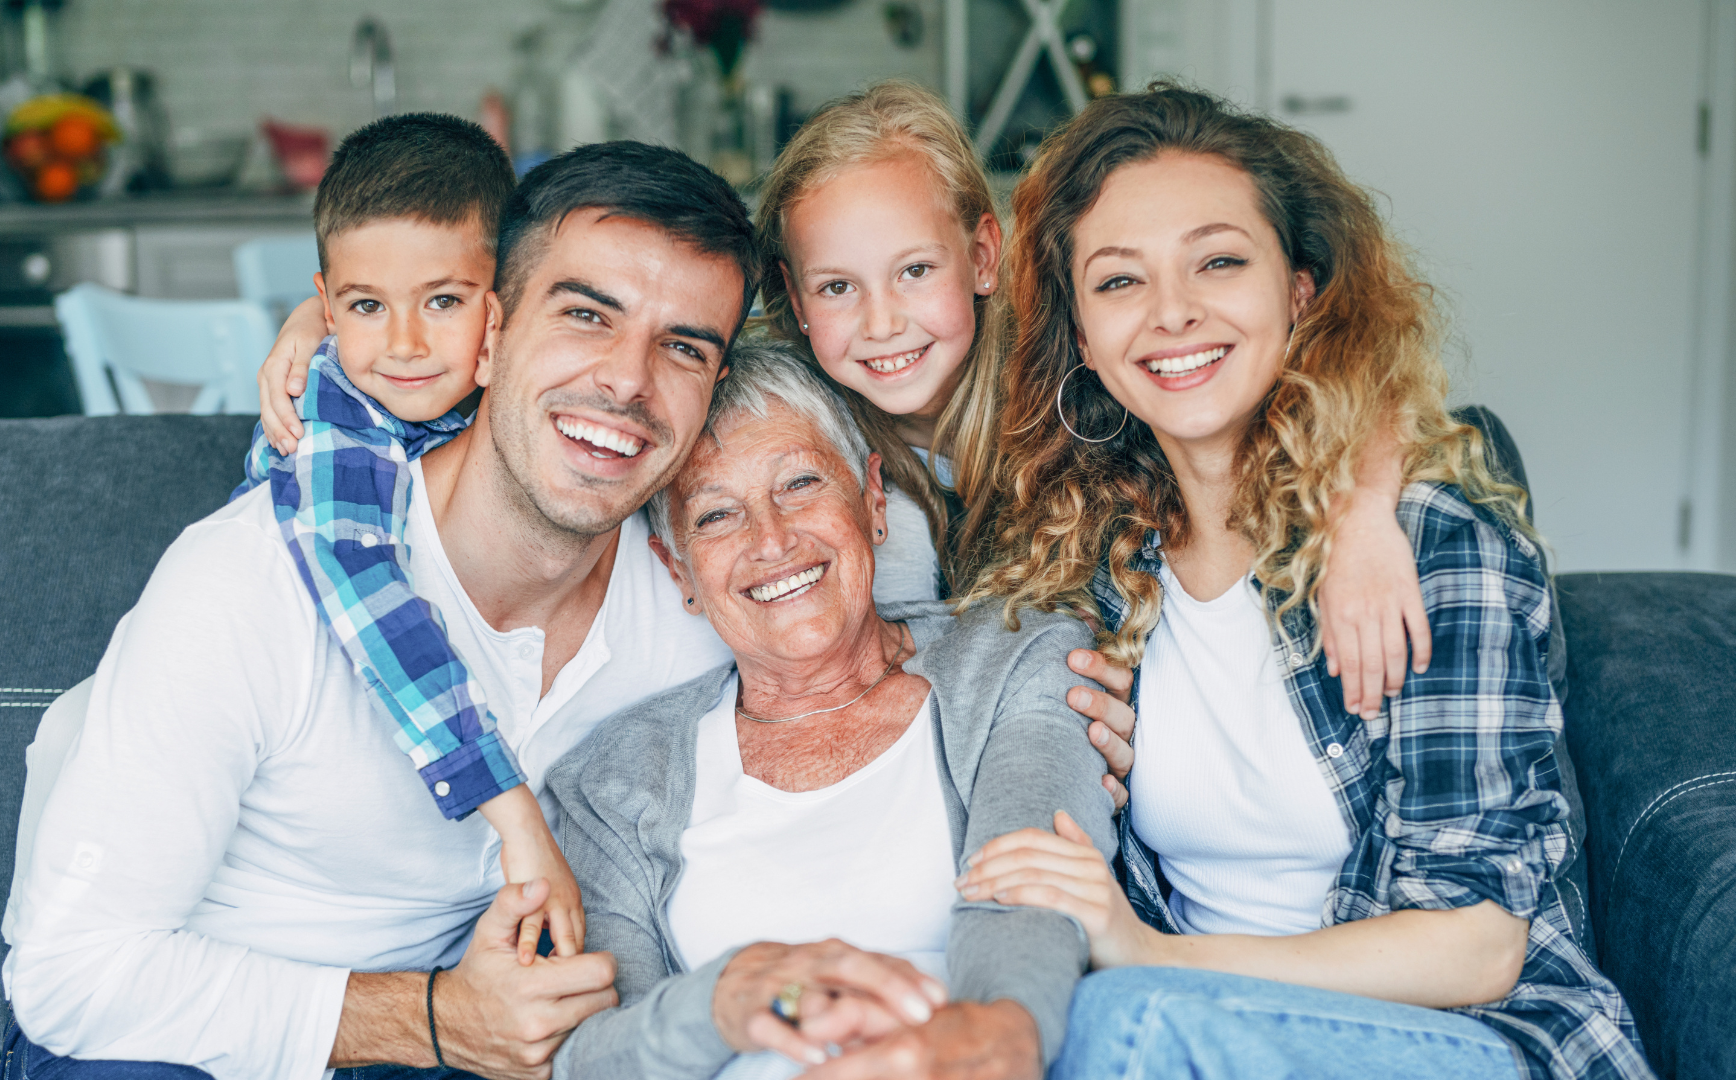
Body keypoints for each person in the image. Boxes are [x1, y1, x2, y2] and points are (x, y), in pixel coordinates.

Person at [0, 140, 759, 1080]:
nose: (629, 381)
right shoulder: (254, 577)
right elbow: (71, 978)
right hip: (168, 1046)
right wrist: (437, 1021)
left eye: (683, 346)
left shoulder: (715, 597)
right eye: (584, 315)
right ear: (490, 333)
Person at [956, 85, 1649, 1080]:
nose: (1173, 312)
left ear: (1303, 291)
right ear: (1081, 334)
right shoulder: (1092, 561)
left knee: (1121, 1027)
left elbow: (1480, 945)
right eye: (1118, 282)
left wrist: (1158, 960)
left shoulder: (1427, 547)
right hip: (1191, 1031)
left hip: (1463, 1041)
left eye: (1220, 261)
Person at [752, 80, 1443, 733]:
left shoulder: (1076, 366)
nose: (881, 323)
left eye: (915, 271)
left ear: (984, 256)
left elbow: (1356, 377)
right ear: (796, 295)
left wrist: (1362, 514)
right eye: (838, 287)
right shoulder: (788, 428)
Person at [545, 341, 1113, 1080]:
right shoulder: (613, 780)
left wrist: (991, 1036)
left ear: (873, 500)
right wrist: (727, 1000)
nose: (772, 541)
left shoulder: (1015, 656)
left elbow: (1034, 892)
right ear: (677, 569)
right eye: (717, 516)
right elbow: (590, 1055)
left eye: (801, 482)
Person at [230, 112, 579, 961]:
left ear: (504, 301)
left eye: (445, 301)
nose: (405, 344)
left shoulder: (503, 398)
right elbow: (367, 594)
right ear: (327, 303)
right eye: (366, 307)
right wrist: (514, 813)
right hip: (259, 760)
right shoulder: (329, 416)